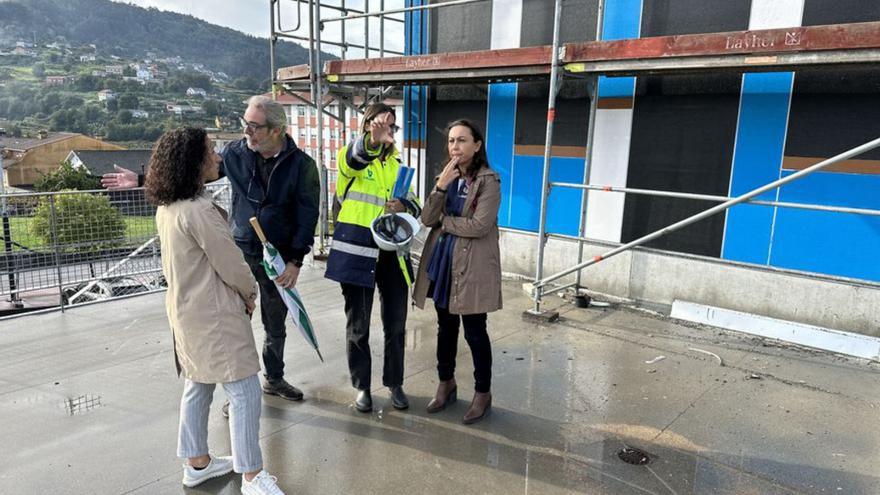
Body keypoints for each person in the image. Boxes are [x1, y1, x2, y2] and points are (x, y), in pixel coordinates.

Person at [103, 96, 320, 407]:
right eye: (245, 124)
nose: (247, 131)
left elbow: (307, 214)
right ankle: (236, 393)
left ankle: (273, 378)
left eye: (254, 126)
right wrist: (142, 180)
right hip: (240, 247)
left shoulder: (303, 166)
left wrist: (296, 260)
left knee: (275, 322)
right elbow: (189, 174)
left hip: (279, 257)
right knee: (234, 321)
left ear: (277, 130)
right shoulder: (235, 153)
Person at [147, 127, 285, 495]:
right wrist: (250, 291)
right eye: (210, 151)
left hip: (186, 313)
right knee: (244, 391)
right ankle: (253, 477)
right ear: (193, 162)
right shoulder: (200, 211)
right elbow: (232, 264)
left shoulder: (168, 209)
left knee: (199, 384)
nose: (217, 157)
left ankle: (196, 463)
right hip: (216, 314)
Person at [325, 103, 420, 413]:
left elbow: (417, 206)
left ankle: (395, 382)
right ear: (367, 125)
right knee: (359, 326)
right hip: (357, 252)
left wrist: (404, 206)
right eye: (382, 123)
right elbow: (354, 158)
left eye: (392, 126)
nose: (388, 130)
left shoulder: (398, 166)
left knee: (395, 324)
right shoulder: (349, 157)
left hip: (393, 252)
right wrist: (372, 141)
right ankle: (362, 386)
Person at [412, 119, 502, 425]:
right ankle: (446, 383)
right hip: (444, 263)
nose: (455, 147)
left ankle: (482, 393)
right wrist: (440, 187)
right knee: (445, 328)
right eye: (451, 141)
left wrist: (445, 223)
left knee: (475, 331)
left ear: (477, 145)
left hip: (474, 267)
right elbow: (426, 218)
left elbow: (480, 226)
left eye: (462, 140)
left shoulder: (490, 181)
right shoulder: (446, 177)